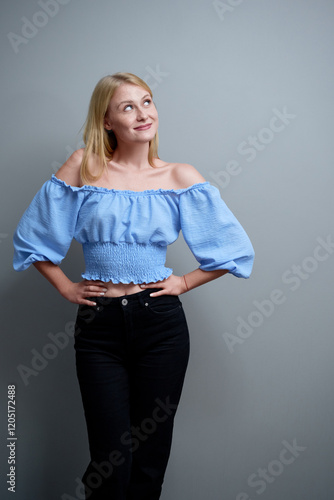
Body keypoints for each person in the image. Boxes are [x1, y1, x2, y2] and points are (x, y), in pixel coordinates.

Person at [13, 72, 255, 500]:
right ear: (107, 121)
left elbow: (232, 250)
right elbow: (34, 239)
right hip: (99, 327)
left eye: (147, 102)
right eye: (128, 107)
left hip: (160, 325)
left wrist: (184, 281)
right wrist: (67, 287)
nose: (143, 114)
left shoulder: (179, 176)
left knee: (149, 456)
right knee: (109, 458)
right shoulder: (82, 167)